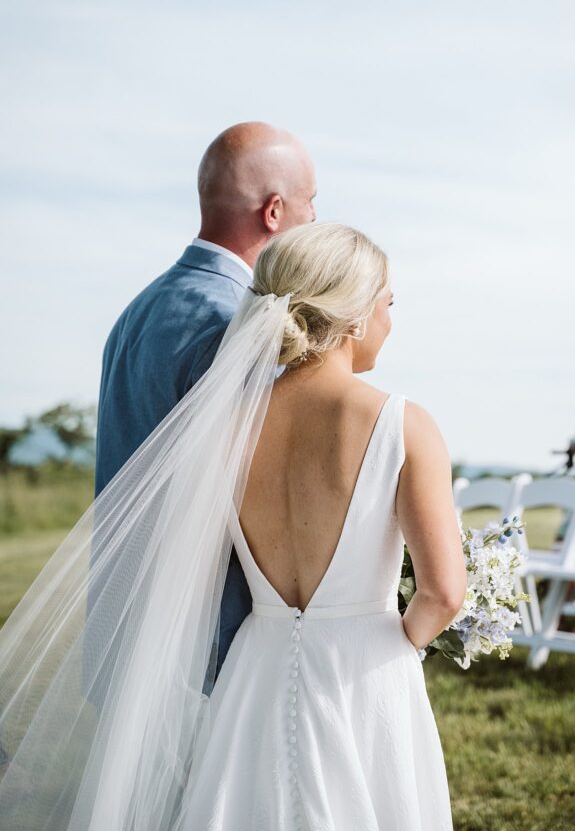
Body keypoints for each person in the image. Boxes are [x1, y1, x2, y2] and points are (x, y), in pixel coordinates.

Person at [0, 223, 466, 830]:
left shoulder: (223, 426)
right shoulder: (403, 422)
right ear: (352, 317)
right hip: (363, 670)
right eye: (388, 304)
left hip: (255, 668)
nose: (390, 320)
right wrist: (392, 647)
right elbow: (444, 593)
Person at [95, 121, 317, 676]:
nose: (315, 218)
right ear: (274, 212)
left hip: (126, 605)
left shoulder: (139, 308)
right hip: (203, 626)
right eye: (311, 202)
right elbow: (252, 490)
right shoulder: (237, 322)